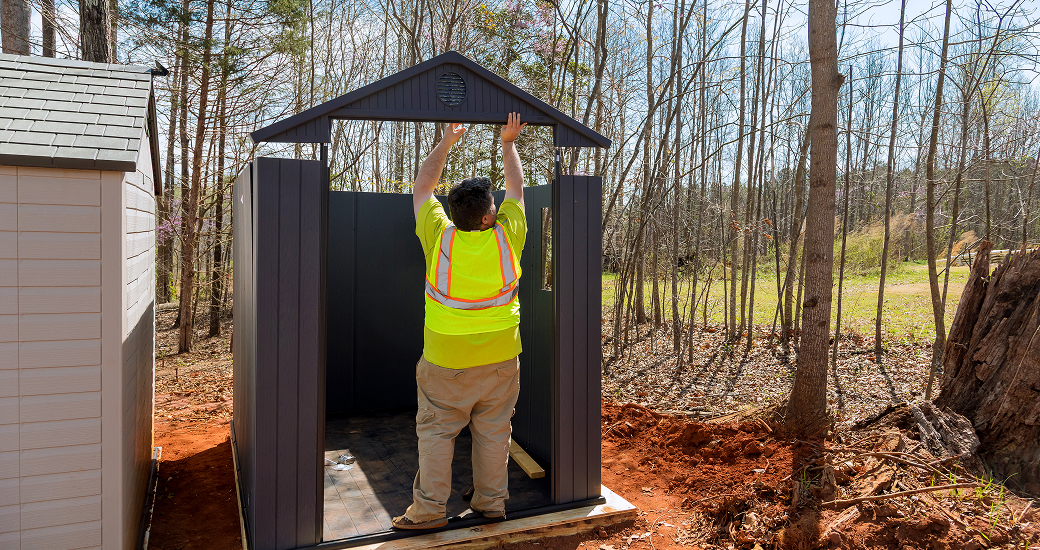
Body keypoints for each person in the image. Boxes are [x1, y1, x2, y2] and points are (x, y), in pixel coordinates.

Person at [392, 113, 529, 530]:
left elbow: (422, 187)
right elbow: (518, 189)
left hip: (446, 363)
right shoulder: (509, 236)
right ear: (490, 217)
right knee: (493, 433)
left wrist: (447, 142)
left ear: (455, 214)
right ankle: (491, 503)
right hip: (503, 359)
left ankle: (430, 510)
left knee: (436, 434)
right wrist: (507, 143)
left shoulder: (439, 236)